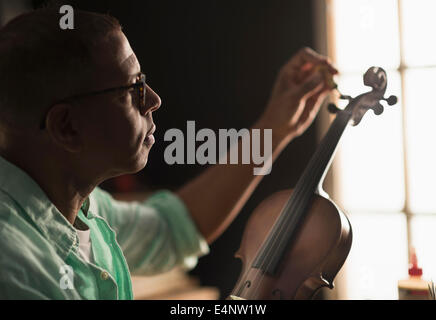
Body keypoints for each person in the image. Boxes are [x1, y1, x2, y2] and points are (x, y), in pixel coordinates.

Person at [0, 7, 337, 299]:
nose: (154, 99)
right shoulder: (12, 265)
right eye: (132, 89)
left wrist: (275, 127)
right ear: (67, 127)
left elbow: (173, 228)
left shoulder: (75, 204)